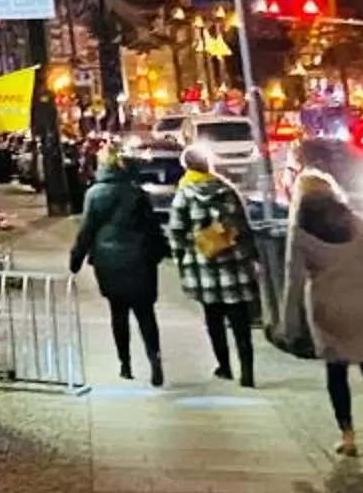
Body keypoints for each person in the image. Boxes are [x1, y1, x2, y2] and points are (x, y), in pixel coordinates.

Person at [278, 165, 363, 471]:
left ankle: (348, 437)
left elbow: (293, 280)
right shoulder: (354, 221)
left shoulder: (300, 232)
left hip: (329, 309)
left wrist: (289, 325)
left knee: (336, 374)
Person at [67, 152, 167, 384]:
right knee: (146, 313)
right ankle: (155, 358)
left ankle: (125, 364)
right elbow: (152, 227)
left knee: (118, 313)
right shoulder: (136, 193)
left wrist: (76, 258)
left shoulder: (94, 194)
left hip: (109, 261)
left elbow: (87, 230)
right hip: (140, 260)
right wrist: (159, 253)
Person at [166, 149, 261, 384]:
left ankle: (224, 367)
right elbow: (243, 226)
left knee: (214, 320)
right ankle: (247, 371)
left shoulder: (184, 194)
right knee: (240, 322)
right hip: (234, 267)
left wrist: (182, 258)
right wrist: (251, 256)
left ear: (187, 167)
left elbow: (176, 232)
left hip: (204, 268)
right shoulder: (227, 190)